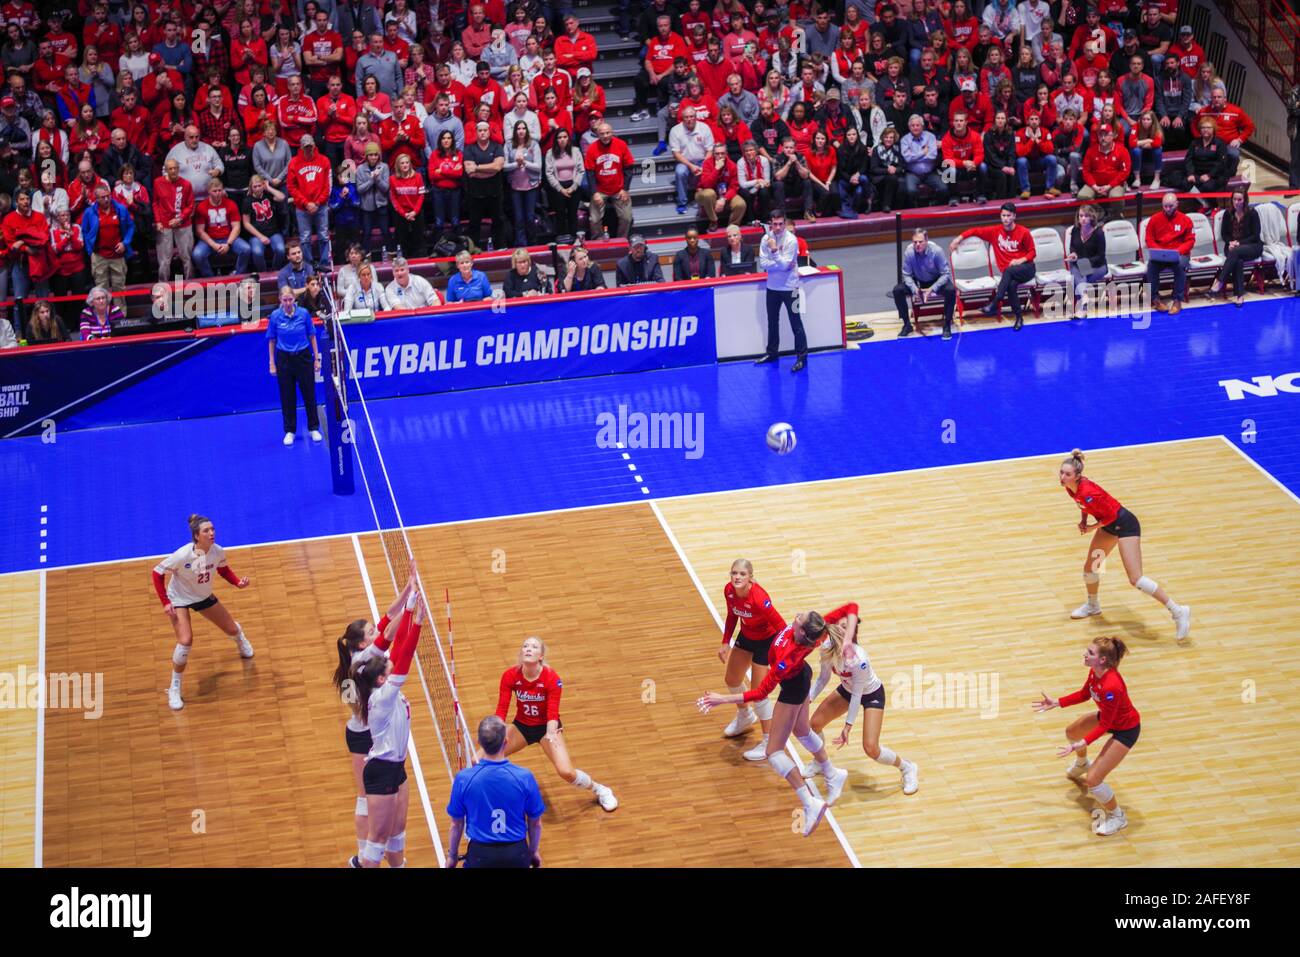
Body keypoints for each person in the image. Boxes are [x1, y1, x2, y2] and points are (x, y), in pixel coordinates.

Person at [697, 606, 853, 837]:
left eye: (800, 618)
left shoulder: (786, 658)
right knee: (802, 731)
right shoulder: (809, 629)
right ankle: (832, 773)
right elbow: (850, 607)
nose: (797, 613)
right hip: (802, 676)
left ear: (801, 633)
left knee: (774, 753)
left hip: (793, 687)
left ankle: (810, 803)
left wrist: (723, 699)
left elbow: (760, 693)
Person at [1058, 447, 1191, 638]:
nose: (1062, 477)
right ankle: (1093, 606)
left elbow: (1111, 515)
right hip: (1109, 526)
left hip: (1124, 526)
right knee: (1091, 568)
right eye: (1061, 472)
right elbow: (1084, 505)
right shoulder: (1072, 489)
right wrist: (1084, 521)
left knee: (1135, 579)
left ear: (1078, 475)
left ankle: (1178, 611)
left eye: (1067, 474)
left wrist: (1091, 528)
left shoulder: (1089, 491)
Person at [332, 572, 418, 864]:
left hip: (372, 733)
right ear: (360, 644)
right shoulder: (366, 658)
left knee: (386, 820)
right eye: (369, 632)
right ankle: (362, 857)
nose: (375, 630)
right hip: (363, 735)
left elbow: (385, 620)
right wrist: (412, 611)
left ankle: (379, 856)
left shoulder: (363, 659)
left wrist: (407, 591)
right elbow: (391, 633)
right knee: (364, 800)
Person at [799, 599, 919, 795]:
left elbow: (858, 693)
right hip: (847, 690)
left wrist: (848, 726)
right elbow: (823, 677)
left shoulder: (859, 658)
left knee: (871, 748)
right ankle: (820, 762)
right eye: (842, 626)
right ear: (834, 627)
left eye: (850, 628)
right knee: (815, 724)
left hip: (870, 694)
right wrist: (808, 699)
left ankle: (907, 767)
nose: (847, 631)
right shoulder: (827, 647)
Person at [485, 636, 617, 813]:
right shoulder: (510, 676)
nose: (528, 649)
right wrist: (497, 732)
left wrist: (550, 733)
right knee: (481, 758)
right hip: (522, 726)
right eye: (525, 646)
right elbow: (501, 709)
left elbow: (553, 712)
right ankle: (480, 798)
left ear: (541, 655)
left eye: (533, 647)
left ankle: (600, 790)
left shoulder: (551, 678)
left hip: (546, 728)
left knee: (566, 772)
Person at [1033, 636, 1140, 837]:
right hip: (1111, 718)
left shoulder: (1111, 687)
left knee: (1094, 780)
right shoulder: (1095, 673)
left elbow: (1106, 724)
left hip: (1126, 730)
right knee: (1072, 732)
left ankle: (1118, 817)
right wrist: (1057, 702)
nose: (1085, 654)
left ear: (1102, 660)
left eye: (1090, 653)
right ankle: (1082, 763)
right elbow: (1085, 694)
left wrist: (1082, 743)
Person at [350, 590, 424, 867]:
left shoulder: (383, 688)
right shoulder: (383, 698)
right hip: (381, 769)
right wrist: (416, 623)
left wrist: (409, 609)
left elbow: (400, 646)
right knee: (378, 838)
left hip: (397, 767)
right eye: (389, 667)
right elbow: (405, 655)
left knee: (397, 832)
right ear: (382, 678)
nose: (393, 664)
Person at [152, 514, 254, 712]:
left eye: (213, 529)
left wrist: (237, 583)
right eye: (207, 530)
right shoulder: (182, 555)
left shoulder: (217, 551)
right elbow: (157, 573)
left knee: (232, 629)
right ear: (197, 536)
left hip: (204, 596)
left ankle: (240, 640)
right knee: (185, 641)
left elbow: (223, 570)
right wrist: (165, 602)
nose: (212, 533)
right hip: (179, 599)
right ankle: (174, 687)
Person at [446, 715, 545, 868]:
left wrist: (452, 856)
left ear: (479, 743)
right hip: (516, 854)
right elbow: (535, 823)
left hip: (481, 855)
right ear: (505, 742)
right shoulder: (524, 777)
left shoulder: (464, 779)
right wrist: (533, 851)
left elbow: (456, 824)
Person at [951, 202, 1037, 330]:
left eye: (1008, 215)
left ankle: (995, 302)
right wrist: (958, 239)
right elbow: (974, 231)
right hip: (1010, 272)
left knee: (1008, 271)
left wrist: (1020, 260)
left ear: (1014, 216)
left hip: (1027, 268)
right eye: (1003, 215)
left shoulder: (1023, 232)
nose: (1006, 218)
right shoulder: (995, 232)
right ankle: (1019, 318)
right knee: (1011, 285)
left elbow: (1033, 252)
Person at [266, 285, 323, 447]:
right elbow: (271, 340)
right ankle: (290, 431)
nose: (288, 303)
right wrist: (272, 363)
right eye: (285, 300)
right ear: (280, 300)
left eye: (290, 299)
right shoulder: (275, 316)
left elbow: (312, 336)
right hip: (284, 359)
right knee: (287, 396)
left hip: (303, 357)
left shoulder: (303, 314)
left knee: (309, 394)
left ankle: (313, 428)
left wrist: (316, 359)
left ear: (294, 299)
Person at [755, 209, 805, 372]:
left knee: (796, 322)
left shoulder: (792, 240)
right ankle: (772, 353)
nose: (777, 227)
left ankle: (802, 357)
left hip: (791, 287)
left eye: (780, 224)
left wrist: (775, 252)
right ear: (770, 223)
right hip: (772, 288)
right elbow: (763, 263)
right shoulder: (765, 238)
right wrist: (779, 264)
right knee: (772, 322)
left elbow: (784, 266)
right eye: (774, 224)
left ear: (785, 223)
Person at [894, 228, 955, 339]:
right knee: (897, 290)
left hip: (936, 280)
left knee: (951, 290)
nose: (917, 244)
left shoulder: (937, 251)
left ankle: (947, 324)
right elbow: (907, 274)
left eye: (920, 242)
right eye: (915, 242)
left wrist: (932, 288)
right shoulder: (909, 252)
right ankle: (907, 325)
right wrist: (915, 289)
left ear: (926, 241)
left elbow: (945, 273)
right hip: (918, 282)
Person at [1210, 185, 1261, 307]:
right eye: (1234, 199)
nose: (1236, 202)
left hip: (1252, 246)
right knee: (1237, 260)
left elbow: (1256, 235)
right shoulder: (1228, 214)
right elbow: (1224, 234)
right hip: (1233, 247)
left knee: (1236, 253)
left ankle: (1220, 280)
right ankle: (1239, 295)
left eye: (1239, 200)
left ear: (1245, 200)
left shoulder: (1252, 213)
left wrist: (1239, 243)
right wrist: (1231, 242)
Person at [1144, 191, 1193, 315]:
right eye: (1165, 206)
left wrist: (1179, 251)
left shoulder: (1185, 220)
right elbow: (1149, 239)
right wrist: (1158, 251)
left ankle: (1177, 300)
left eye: (1170, 206)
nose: (1168, 209)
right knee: (1151, 267)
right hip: (1160, 255)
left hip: (1179, 254)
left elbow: (1190, 241)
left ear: (1177, 204)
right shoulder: (1154, 220)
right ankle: (1155, 299)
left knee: (1180, 266)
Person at [80, 181, 133, 294]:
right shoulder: (90, 212)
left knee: (119, 290)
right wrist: (91, 251)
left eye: (108, 196)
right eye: (103, 197)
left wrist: (125, 243)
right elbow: (84, 231)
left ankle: (120, 312)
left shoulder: (120, 209)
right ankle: (103, 312)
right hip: (99, 256)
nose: (106, 199)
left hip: (117, 256)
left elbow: (131, 226)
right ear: (97, 199)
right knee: (101, 292)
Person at [585, 122, 635, 240]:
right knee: (594, 219)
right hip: (600, 190)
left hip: (618, 188)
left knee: (627, 217)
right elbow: (590, 173)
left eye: (608, 133)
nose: (605, 136)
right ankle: (597, 240)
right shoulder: (592, 148)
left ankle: (621, 240)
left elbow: (628, 168)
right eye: (602, 133)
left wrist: (625, 189)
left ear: (612, 133)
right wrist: (594, 192)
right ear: (598, 134)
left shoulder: (621, 145)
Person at [287, 134, 332, 266]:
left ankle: (324, 264)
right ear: (301, 147)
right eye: (306, 147)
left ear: (314, 145)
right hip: (302, 207)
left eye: (310, 146)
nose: (308, 149)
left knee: (323, 235)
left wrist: (318, 202)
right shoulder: (294, 162)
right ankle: (308, 265)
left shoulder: (324, 161)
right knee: (305, 238)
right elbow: (291, 186)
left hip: (321, 205)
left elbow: (327, 185)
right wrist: (306, 203)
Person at [463, 120, 506, 250]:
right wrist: (489, 170)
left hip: (494, 193)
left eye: (485, 130)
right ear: (476, 133)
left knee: (498, 221)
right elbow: (469, 171)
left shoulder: (497, 147)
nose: (482, 133)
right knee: (474, 224)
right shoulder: (469, 148)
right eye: (480, 131)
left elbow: (498, 167)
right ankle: (473, 249)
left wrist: (478, 168)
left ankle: (500, 247)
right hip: (476, 194)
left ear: (489, 132)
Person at [193, 178, 248, 277]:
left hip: (228, 237)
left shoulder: (231, 204)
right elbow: (199, 231)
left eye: (220, 190)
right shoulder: (201, 206)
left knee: (246, 249)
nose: (218, 193)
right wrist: (213, 244)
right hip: (210, 239)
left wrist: (228, 244)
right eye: (214, 191)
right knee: (197, 254)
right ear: (209, 191)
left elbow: (237, 227)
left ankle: (237, 276)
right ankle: (210, 278)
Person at [1164, 117, 1231, 196]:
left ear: (1214, 129)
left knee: (1207, 187)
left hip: (1213, 175)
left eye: (1208, 127)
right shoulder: (1195, 142)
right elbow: (1189, 159)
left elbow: (1221, 163)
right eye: (1203, 127)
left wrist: (1209, 175)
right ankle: (1201, 199)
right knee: (1179, 180)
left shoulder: (1220, 143)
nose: (1205, 129)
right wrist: (1190, 174)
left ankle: (1206, 203)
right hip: (1196, 173)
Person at [506, 119, 542, 247]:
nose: (521, 131)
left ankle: (532, 244)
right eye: (518, 129)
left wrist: (525, 163)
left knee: (530, 218)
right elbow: (504, 166)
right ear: (515, 131)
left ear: (527, 130)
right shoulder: (509, 145)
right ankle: (521, 245)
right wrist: (517, 164)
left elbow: (538, 166)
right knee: (519, 218)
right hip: (515, 187)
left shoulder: (533, 145)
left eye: (523, 128)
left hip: (530, 186)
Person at [544, 127, 583, 243]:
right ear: (556, 139)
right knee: (560, 214)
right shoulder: (550, 153)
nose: (562, 140)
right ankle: (562, 239)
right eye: (559, 137)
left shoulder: (576, 151)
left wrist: (574, 187)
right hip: (558, 187)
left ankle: (574, 239)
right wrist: (560, 189)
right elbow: (549, 173)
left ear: (568, 138)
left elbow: (581, 171)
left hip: (574, 186)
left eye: (565, 137)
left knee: (572, 214)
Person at [241, 174, 287, 272]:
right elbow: (246, 224)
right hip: (256, 235)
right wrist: (261, 236)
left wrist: (268, 188)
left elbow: (282, 197)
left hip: (273, 232)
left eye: (259, 185)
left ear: (263, 185)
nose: (257, 188)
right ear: (251, 187)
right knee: (257, 253)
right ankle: (263, 273)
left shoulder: (268, 196)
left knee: (280, 250)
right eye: (255, 186)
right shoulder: (247, 201)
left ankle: (275, 271)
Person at [1067, 204, 1109, 313]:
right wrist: (1073, 254)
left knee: (1077, 277)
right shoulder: (1076, 230)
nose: (1083, 219)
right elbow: (1072, 246)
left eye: (1086, 216)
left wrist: (1083, 263)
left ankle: (1082, 307)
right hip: (1080, 266)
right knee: (1075, 266)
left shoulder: (1099, 233)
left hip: (1098, 266)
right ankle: (1084, 301)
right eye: (1081, 216)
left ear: (1092, 217)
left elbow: (1101, 256)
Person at [695, 141, 745, 229]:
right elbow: (706, 184)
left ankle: (732, 227)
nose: (720, 156)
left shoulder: (732, 166)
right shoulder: (707, 163)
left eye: (722, 153)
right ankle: (713, 221)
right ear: (713, 154)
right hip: (704, 193)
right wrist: (716, 169)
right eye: (717, 154)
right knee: (709, 193)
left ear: (726, 154)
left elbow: (734, 187)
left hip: (723, 194)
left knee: (740, 204)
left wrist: (724, 199)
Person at [386, 150, 425, 258]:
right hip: (401, 214)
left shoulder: (418, 177)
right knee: (403, 240)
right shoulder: (392, 179)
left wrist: (414, 212)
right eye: (402, 163)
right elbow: (394, 199)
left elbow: (421, 196)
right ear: (398, 165)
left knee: (418, 238)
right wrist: (404, 214)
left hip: (416, 212)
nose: (405, 165)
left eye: (407, 162)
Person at [1079, 125, 1130, 200]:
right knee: (1083, 196)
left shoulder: (1122, 150)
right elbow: (1086, 171)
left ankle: (1116, 212)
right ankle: (1099, 211)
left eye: (1106, 135)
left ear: (1113, 136)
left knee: (1116, 197)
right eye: (1100, 135)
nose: (1103, 138)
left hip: (1114, 185)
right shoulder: (1090, 151)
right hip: (1095, 185)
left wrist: (1110, 186)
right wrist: (1094, 186)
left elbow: (1125, 171)